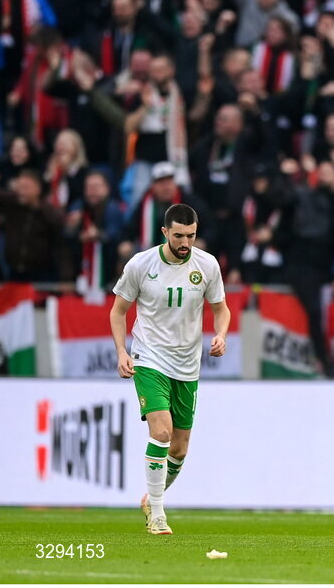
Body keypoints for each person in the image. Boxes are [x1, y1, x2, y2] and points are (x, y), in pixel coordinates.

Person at [110, 203, 230, 535]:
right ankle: (158, 515)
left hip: (187, 365)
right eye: (178, 235)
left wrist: (220, 334)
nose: (185, 243)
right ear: (164, 232)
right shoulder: (141, 264)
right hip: (149, 359)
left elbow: (221, 310)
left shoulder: (206, 265)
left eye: (191, 236)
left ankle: (151, 498)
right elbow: (118, 312)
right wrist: (122, 351)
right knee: (160, 433)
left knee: (179, 449)